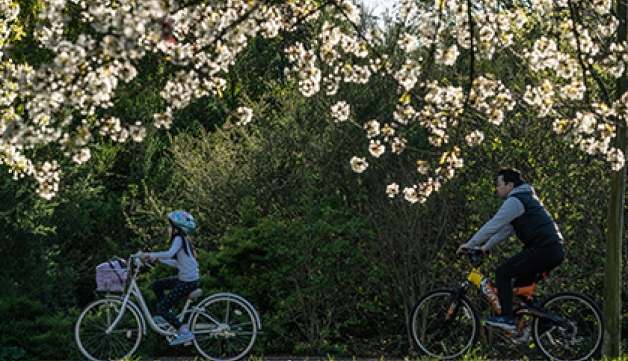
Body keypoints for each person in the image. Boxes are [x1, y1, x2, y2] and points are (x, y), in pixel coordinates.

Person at [456, 167, 565, 332]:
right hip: (552, 249)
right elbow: (506, 229)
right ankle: (545, 323)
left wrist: (470, 244)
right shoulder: (526, 198)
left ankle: (507, 318)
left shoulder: (515, 201)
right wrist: (486, 247)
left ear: (510, 185)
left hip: (543, 249)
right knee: (521, 287)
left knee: (503, 273)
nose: (497, 188)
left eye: (499, 184)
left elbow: (493, 225)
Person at [141, 210, 199, 346]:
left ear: (176, 228)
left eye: (169, 226)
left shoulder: (179, 239)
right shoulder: (185, 240)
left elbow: (169, 253)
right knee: (157, 285)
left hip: (187, 283)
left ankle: (184, 332)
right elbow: (178, 263)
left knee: (162, 307)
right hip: (188, 280)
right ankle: (166, 317)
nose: (168, 229)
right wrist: (159, 260)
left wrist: (148, 255)